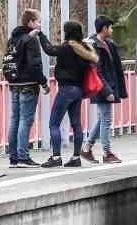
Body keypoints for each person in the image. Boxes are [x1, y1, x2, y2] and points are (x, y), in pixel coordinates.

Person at [37, 20, 98, 168]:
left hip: (66, 89)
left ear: (68, 32)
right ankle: (76, 157)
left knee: (54, 123)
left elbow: (49, 49)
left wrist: (40, 35)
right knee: (76, 124)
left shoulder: (67, 48)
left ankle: (56, 157)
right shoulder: (85, 49)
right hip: (78, 91)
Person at [5, 9, 49, 168]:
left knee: (15, 120)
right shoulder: (31, 40)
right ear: (30, 22)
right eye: (38, 21)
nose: (39, 25)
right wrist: (43, 82)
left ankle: (14, 158)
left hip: (14, 84)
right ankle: (23, 157)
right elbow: (34, 65)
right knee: (25, 120)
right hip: (28, 85)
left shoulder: (12, 39)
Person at [82, 15, 128, 165]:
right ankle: (107, 153)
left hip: (108, 86)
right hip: (101, 88)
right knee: (107, 119)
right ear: (104, 28)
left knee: (103, 118)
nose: (112, 30)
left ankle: (87, 148)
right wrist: (107, 91)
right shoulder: (94, 45)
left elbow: (115, 68)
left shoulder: (108, 43)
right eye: (110, 27)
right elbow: (97, 71)